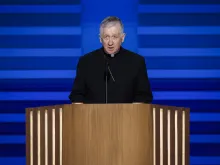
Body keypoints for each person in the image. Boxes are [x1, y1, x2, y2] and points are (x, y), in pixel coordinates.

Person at [69, 16, 153, 104]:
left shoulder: (137, 62)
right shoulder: (86, 62)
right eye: (106, 37)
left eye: (114, 37)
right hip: (92, 116)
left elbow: (143, 96)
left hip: (127, 117)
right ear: (100, 38)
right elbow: (77, 96)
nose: (110, 42)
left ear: (123, 37)